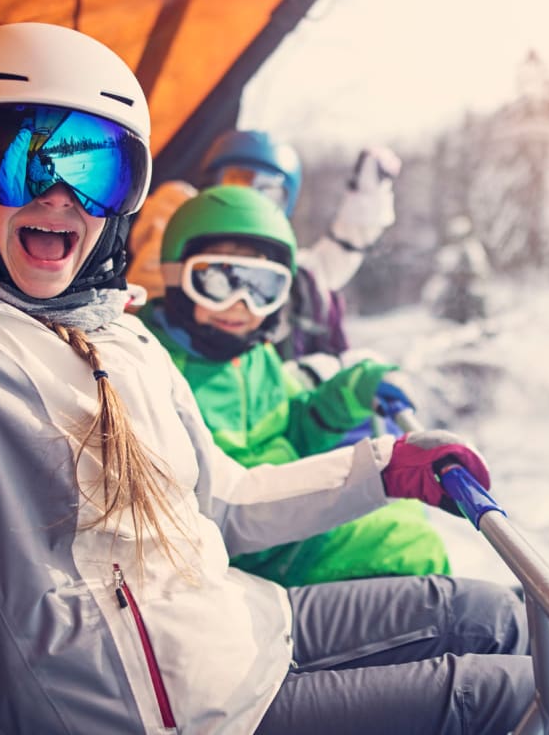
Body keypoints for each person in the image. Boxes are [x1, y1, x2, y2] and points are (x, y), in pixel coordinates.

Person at [0, 0, 549, 732]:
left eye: (97, 169)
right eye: (17, 160)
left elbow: (226, 502)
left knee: (492, 616)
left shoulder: (125, 341)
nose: (61, 195)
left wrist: (385, 468)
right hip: (179, 716)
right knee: (517, 700)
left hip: (245, 628)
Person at [137, 183, 451, 586]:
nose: (240, 305)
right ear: (177, 274)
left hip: (287, 516)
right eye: (218, 280)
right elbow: (218, 503)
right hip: (249, 548)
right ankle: (441, 621)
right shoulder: (157, 365)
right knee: (407, 541)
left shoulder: (254, 357)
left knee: (406, 513)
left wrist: (354, 390)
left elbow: (295, 428)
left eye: (261, 288)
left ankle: (449, 616)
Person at [125, 129, 401, 363]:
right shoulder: (181, 223)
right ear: (211, 182)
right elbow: (154, 282)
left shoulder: (282, 263)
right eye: (237, 180)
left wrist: (366, 202)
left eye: (268, 191)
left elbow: (326, 265)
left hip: (258, 368)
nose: (250, 198)